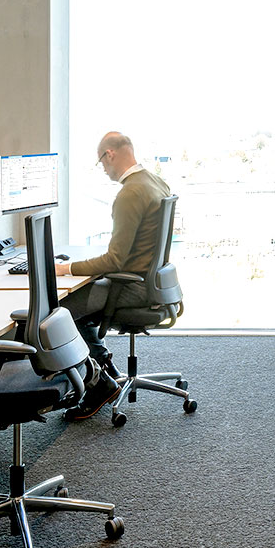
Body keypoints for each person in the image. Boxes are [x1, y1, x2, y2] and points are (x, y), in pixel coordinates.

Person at [55, 131, 172, 419]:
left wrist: (66, 268)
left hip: (131, 286)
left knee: (59, 313)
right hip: (150, 281)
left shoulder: (129, 192)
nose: (104, 169)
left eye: (101, 162)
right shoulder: (155, 181)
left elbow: (114, 259)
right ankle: (104, 367)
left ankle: (99, 383)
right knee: (76, 304)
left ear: (110, 154)